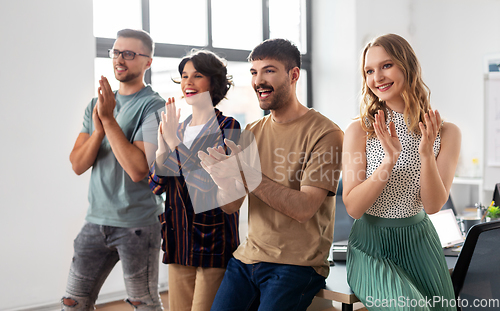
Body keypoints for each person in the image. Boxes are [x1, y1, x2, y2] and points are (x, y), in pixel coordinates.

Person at [198, 38, 344, 311]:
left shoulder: (326, 134)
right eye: (254, 72)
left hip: (297, 265)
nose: (258, 81)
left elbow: (304, 209)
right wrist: (224, 180)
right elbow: (231, 206)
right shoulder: (251, 131)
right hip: (247, 259)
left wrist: (247, 175)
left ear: (294, 74)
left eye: (269, 71)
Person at [343, 33, 461, 310]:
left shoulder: (446, 132)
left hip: (420, 241)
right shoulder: (359, 130)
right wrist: (389, 160)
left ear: (407, 66)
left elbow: (433, 205)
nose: (377, 77)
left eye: (386, 66)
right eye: (369, 71)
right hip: (371, 246)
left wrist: (425, 155)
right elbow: (353, 207)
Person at [63, 29, 165, 310]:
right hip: (96, 220)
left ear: (148, 62)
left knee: (143, 303)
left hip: (138, 225)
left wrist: (108, 120)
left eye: (129, 54)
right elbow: (77, 164)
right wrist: (98, 131)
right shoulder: (96, 106)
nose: (120, 59)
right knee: (73, 302)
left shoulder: (152, 106)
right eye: (116, 52)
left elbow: (138, 170)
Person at [148, 49, 241, 311]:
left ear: (213, 82)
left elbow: (207, 187)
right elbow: (156, 185)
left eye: (197, 75)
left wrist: (175, 144)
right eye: (184, 76)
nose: (188, 82)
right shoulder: (175, 126)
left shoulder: (228, 127)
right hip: (178, 241)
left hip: (213, 242)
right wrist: (162, 151)